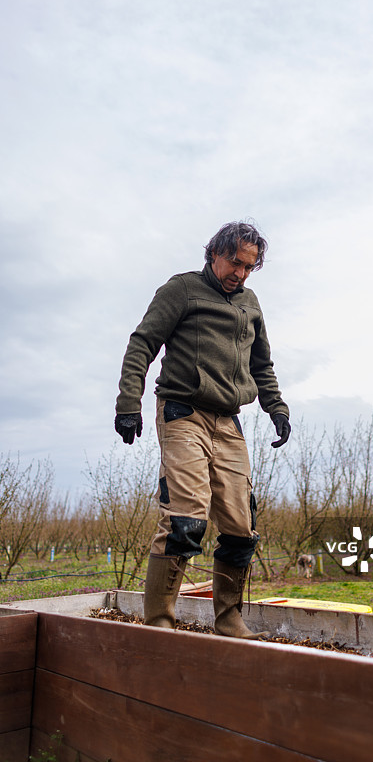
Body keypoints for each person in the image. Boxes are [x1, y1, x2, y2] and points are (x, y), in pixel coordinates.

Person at [114, 221, 291, 639]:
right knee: (186, 519)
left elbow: (261, 364)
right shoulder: (182, 290)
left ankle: (229, 619)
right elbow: (142, 343)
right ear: (214, 253)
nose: (240, 274)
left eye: (250, 267)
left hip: (227, 421)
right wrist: (128, 404)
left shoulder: (250, 303)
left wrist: (276, 407)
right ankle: (159, 624)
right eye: (235, 263)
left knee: (240, 527)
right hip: (183, 412)